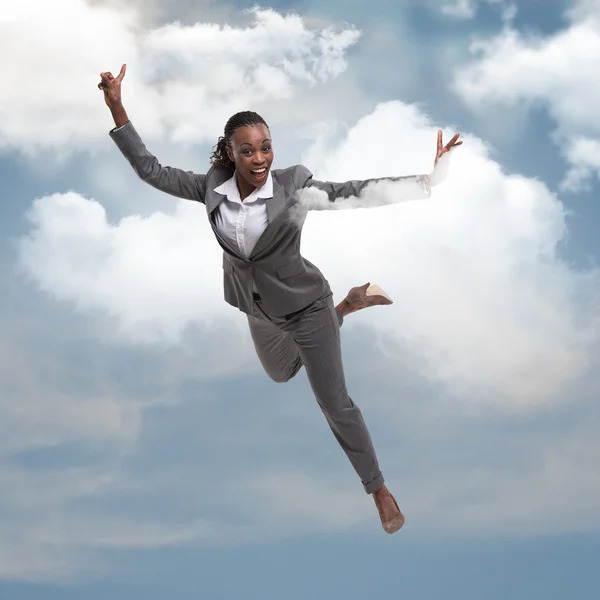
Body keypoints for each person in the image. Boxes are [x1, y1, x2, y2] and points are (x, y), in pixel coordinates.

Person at [98, 63, 462, 535]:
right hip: (259, 310)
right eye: (246, 150)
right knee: (279, 372)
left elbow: (353, 193)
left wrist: (427, 181)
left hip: (307, 308)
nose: (258, 158)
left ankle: (378, 489)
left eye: (265, 147)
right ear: (230, 153)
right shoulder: (211, 187)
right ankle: (350, 305)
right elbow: (151, 170)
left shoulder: (294, 190)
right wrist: (116, 107)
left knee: (334, 403)